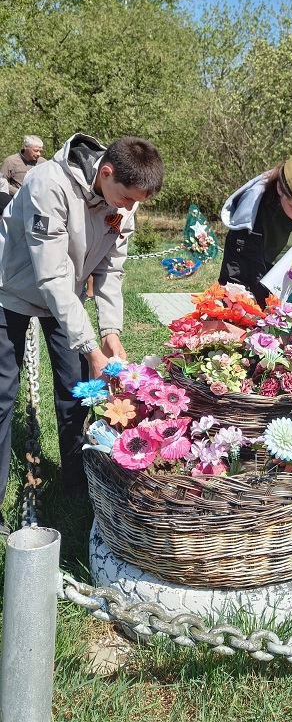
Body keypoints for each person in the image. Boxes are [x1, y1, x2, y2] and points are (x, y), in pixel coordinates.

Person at [0, 133, 163, 534]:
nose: (130, 209)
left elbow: (111, 271)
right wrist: (91, 349)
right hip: (11, 290)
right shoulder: (47, 185)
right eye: (126, 199)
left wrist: (110, 331)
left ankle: (76, 481)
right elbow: (50, 274)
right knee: (3, 394)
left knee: (75, 390)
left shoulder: (124, 203)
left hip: (66, 297)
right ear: (105, 173)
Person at [219, 144, 292, 325]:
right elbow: (234, 268)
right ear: (280, 190)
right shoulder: (253, 207)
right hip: (258, 296)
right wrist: (238, 305)